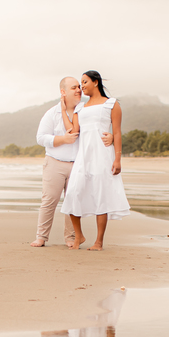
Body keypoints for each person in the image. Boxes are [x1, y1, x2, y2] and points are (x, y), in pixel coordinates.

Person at [32, 77, 113, 248]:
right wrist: (62, 139)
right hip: (55, 162)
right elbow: (40, 138)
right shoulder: (52, 113)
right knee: (49, 200)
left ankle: (71, 237)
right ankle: (41, 237)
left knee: (73, 200)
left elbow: (96, 129)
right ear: (63, 92)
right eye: (74, 87)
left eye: (79, 87)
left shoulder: (84, 110)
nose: (78, 90)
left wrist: (111, 136)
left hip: (78, 164)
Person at [59, 70, 130, 251]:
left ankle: (99, 242)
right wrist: (63, 109)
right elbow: (73, 131)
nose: (82, 86)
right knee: (73, 193)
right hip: (83, 157)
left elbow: (117, 132)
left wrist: (117, 159)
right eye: (80, 83)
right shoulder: (80, 108)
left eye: (85, 82)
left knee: (101, 196)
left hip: (102, 155)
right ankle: (79, 236)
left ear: (95, 82)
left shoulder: (111, 104)